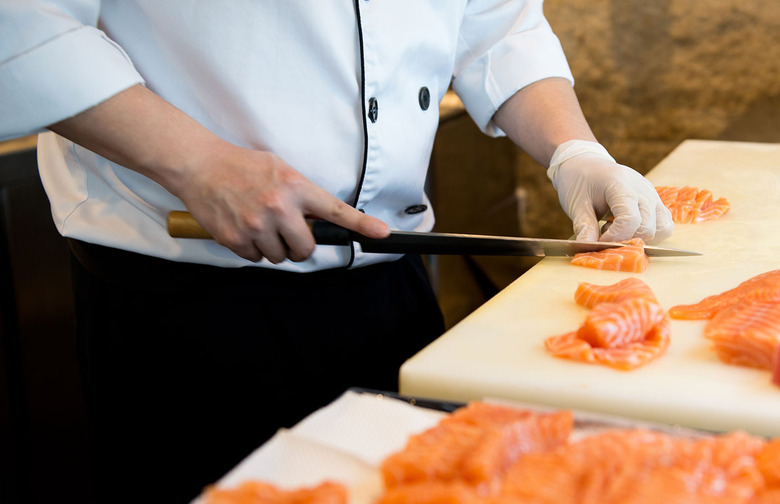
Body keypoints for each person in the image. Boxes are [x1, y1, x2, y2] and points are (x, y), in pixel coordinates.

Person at [0, 1, 674, 501]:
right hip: (185, 308)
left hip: (391, 287)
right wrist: (199, 164)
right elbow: (24, 27)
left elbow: (498, 24)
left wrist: (573, 150)